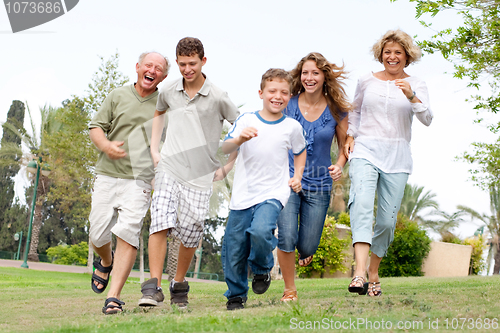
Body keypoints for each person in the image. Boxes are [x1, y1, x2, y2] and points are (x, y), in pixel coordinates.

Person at [138, 37, 239, 309]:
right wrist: (155, 150)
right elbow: (159, 113)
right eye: (182, 64)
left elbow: (239, 128)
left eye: (192, 63)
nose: (187, 69)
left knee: (191, 231)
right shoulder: (169, 90)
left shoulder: (218, 96)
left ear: (203, 61)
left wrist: (228, 165)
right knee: (160, 217)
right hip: (170, 165)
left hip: (200, 175)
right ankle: (153, 286)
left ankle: (178, 284)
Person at [345, 30, 433, 297]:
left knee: (385, 221)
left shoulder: (417, 83)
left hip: (397, 157)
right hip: (365, 150)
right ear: (380, 55)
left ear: (407, 56)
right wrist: (350, 135)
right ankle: (359, 274)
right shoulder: (366, 80)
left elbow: (427, 119)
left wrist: (412, 96)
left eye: (398, 52)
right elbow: (355, 110)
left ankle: (373, 271)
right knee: (360, 204)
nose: (392, 56)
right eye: (387, 52)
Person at [88, 52, 169, 314]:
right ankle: (105, 259)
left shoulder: (165, 105)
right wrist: (106, 145)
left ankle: (113, 297)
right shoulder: (117, 95)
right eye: (148, 65)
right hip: (108, 174)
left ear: (164, 76)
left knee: (128, 233)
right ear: (138, 68)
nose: (152, 70)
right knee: (97, 234)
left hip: (140, 180)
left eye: (158, 68)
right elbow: (96, 127)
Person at [221, 68, 306, 310]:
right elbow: (226, 149)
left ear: (289, 96)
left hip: (274, 192)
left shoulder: (291, 126)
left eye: (284, 92)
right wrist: (239, 139)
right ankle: (236, 294)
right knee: (235, 247)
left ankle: (261, 269)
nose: (277, 96)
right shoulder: (246, 120)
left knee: (260, 231)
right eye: (272, 91)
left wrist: (297, 176)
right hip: (243, 195)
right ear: (261, 93)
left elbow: (300, 152)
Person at [276, 52, 351, 302]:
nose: (309, 78)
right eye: (305, 73)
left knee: (307, 246)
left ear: (324, 76)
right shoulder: (289, 104)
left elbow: (344, 147)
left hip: (320, 183)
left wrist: (339, 165)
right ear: (300, 75)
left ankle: (303, 251)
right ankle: (289, 289)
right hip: (288, 179)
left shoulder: (336, 109)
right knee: (286, 235)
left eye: (315, 73)